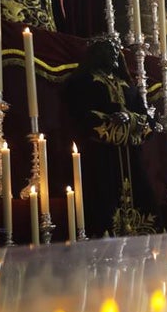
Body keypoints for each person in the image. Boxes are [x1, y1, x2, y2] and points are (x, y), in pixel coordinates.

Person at [66, 38, 157, 236]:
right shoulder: (82, 82)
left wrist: (130, 118)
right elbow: (80, 117)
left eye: (117, 49)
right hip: (101, 156)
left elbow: (148, 122)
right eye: (109, 50)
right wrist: (109, 120)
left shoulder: (128, 86)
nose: (115, 53)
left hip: (131, 157)